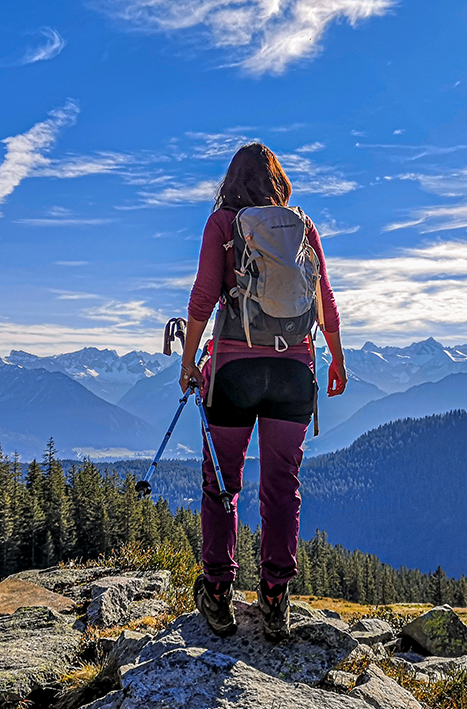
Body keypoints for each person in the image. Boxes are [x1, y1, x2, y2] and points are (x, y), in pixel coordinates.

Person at [179, 142, 347, 640]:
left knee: (222, 484)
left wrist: (189, 362)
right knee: (281, 486)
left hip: (235, 368)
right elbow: (326, 300)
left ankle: (217, 591)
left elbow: (203, 297)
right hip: (294, 372)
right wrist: (337, 357)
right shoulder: (302, 226)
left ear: (230, 181)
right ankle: (275, 597)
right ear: (278, 179)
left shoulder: (223, 225)